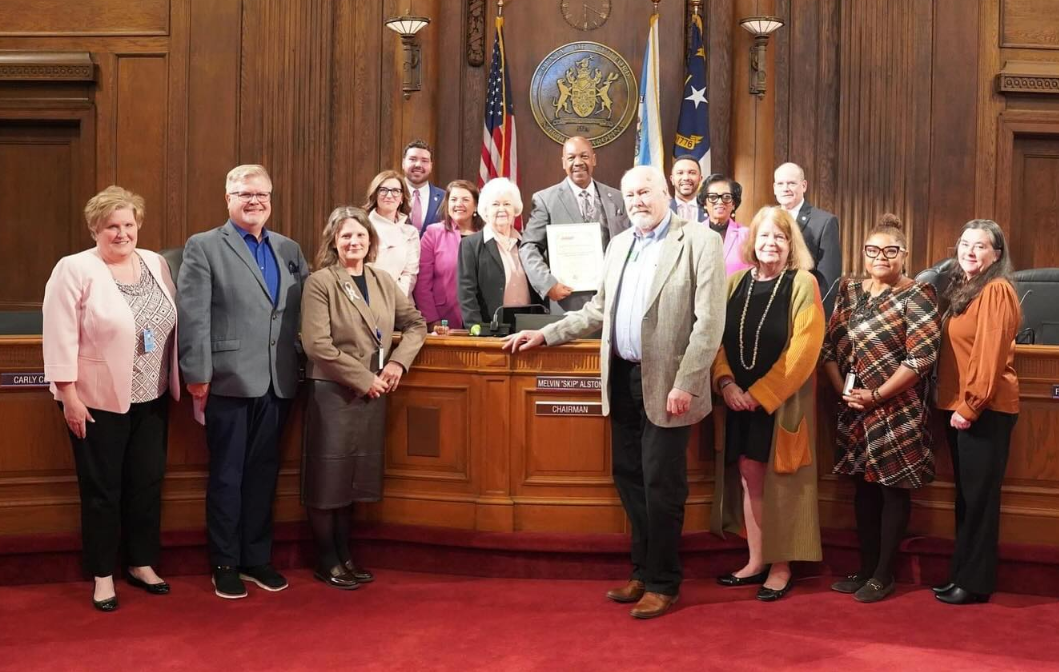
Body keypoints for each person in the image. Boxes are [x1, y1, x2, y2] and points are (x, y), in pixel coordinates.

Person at [504, 166, 726, 620]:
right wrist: (547, 335)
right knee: (630, 477)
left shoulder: (701, 242)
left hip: (670, 384)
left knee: (662, 485)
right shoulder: (621, 244)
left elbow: (709, 323)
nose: (637, 200)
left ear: (665, 192)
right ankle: (643, 571)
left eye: (645, 191)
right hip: (622, 379)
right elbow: (598, 310)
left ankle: (665, 583)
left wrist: (687, 381)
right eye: (629, 194)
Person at [43, 186, 179, 611]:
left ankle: (141, 563)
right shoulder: (74, 268)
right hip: (96, 400)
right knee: (102, 490)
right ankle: (103, 575)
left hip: (152, 395)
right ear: (95, 229)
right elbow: (59, 333)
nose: (122, 233)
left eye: (128, 224)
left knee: (146, 483)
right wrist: (69, 395)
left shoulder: (155, 262)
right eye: (111, 226)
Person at [177, 164, 309, 599]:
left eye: (262, 194)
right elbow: (193, 315)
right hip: (227, 381)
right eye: (245, 194)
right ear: (228, 198)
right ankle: (225, 562)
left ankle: (257, 558)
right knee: (228, 476)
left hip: (279, 381)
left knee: (263, 475)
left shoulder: (288, 248)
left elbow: (299, 313)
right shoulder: (205, 246)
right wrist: (197, 375)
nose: (255, 201)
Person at [301, 207, 426, 589]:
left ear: (370, 241)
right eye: (345, 237)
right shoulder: (320, 282)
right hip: (334, 391)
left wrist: (397, 366)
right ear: (333, 243)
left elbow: (417, 324)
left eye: (360, 236)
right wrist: (364, 379)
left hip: (374, 391)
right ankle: (328, 560)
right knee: (328, 478)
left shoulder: (383, 280)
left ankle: (346, 556)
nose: (353, 242)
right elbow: (316, 345)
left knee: (353, 478)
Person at [822, 214, 941, 603]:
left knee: (891, 489)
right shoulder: (850, 290)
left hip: (898, 409)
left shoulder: (918, 293)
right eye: (873, 250)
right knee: (863, 488)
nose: (881, 257)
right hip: (854, 406)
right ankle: (866, 566)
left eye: (890, 251)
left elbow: (920, 358)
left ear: (904, 255)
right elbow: (829, 348)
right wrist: (846, 393)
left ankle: (883, 574)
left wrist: (876, 396)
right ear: (864, 253)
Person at [711, 206, 825, 602]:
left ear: (790, 243)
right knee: (748, 474)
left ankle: (781, 566)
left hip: (780, 403)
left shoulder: (802, 283)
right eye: (763, 236)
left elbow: (804, 350)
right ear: (751, 242)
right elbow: (715, 338)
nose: (770, 243)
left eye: (779, 236)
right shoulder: (735, 282)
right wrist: (725, 383)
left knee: (780, 482)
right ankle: (756, 560)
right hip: (737, 400)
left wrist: (760, 394)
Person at [933, 219, 1020, 605]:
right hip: (961, 408)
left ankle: (976, 582)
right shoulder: (968, 289)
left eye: (981, 246)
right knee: (968, 498)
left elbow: (989, 356)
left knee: (980, 500)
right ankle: (961, 574)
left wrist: (971, 406)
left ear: (996, 254)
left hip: (984, 409)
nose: (970, 251)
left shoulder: (997, 290)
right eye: (965, 243)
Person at [519, 135, 630, 314]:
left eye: (584, 156)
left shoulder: (618, 198)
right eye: (571, 157)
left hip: (614, 299)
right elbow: (528, 247)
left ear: (594, 159)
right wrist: (547, 284)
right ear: (564, 162)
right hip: (568, 301)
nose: (578, 162)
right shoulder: (545, 200)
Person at [457, 178, 541, 328]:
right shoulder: (470, 245)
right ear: (485, 211)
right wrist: (476, 329)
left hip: (529, 326)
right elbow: (466, 293)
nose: (501, 209)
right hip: (489, 327)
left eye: (507, 204)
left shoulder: (528, 243)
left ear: (515, 209)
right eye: (495, 204)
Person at [413, 180, 483, 330]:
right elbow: (422, 284)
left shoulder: (486, 235)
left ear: (476, 205)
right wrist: (432, 320)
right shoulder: (433, 233)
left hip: (483, 318)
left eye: (465, 199)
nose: (459, 204)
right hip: (444, 319)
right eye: (454, 199)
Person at [773, 162, 841, 311]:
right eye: (780, 183)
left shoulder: (824, 222)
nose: (785, 188)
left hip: (805, 308)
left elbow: (829, 279)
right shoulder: (767, 220)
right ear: (774, 188)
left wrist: (820, 317)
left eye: (791, 183)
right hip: (770, 309)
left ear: (803, 186)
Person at [364, 170, 420, 297]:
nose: (389, 195)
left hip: (399, 301)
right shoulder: (362, 226)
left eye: (395, 191)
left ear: (402, 197)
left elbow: (409, 274)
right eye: (383, 190)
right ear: (375, 194)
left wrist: (393, 300)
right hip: (367, 299)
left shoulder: (410, 232)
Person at [697, 173, 752, 276]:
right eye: (713, 197)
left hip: (736, 291)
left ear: (733, 204)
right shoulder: (694, 234)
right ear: (705, 203)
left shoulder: (747, 235)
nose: (720, 201)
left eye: (726, 197)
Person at [402, 139, 445, 236]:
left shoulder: (444, 198)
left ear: (431, 166)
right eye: (413, 159)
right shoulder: (389, 195)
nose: (418, 165)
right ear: (403, 163)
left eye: (424, 161)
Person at [669, 154, 705, 222]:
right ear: (672, 179)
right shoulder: (663, 210)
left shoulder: (710, 209)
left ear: (700, 179)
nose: (686, 178)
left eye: (692, 173)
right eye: (680, 173)